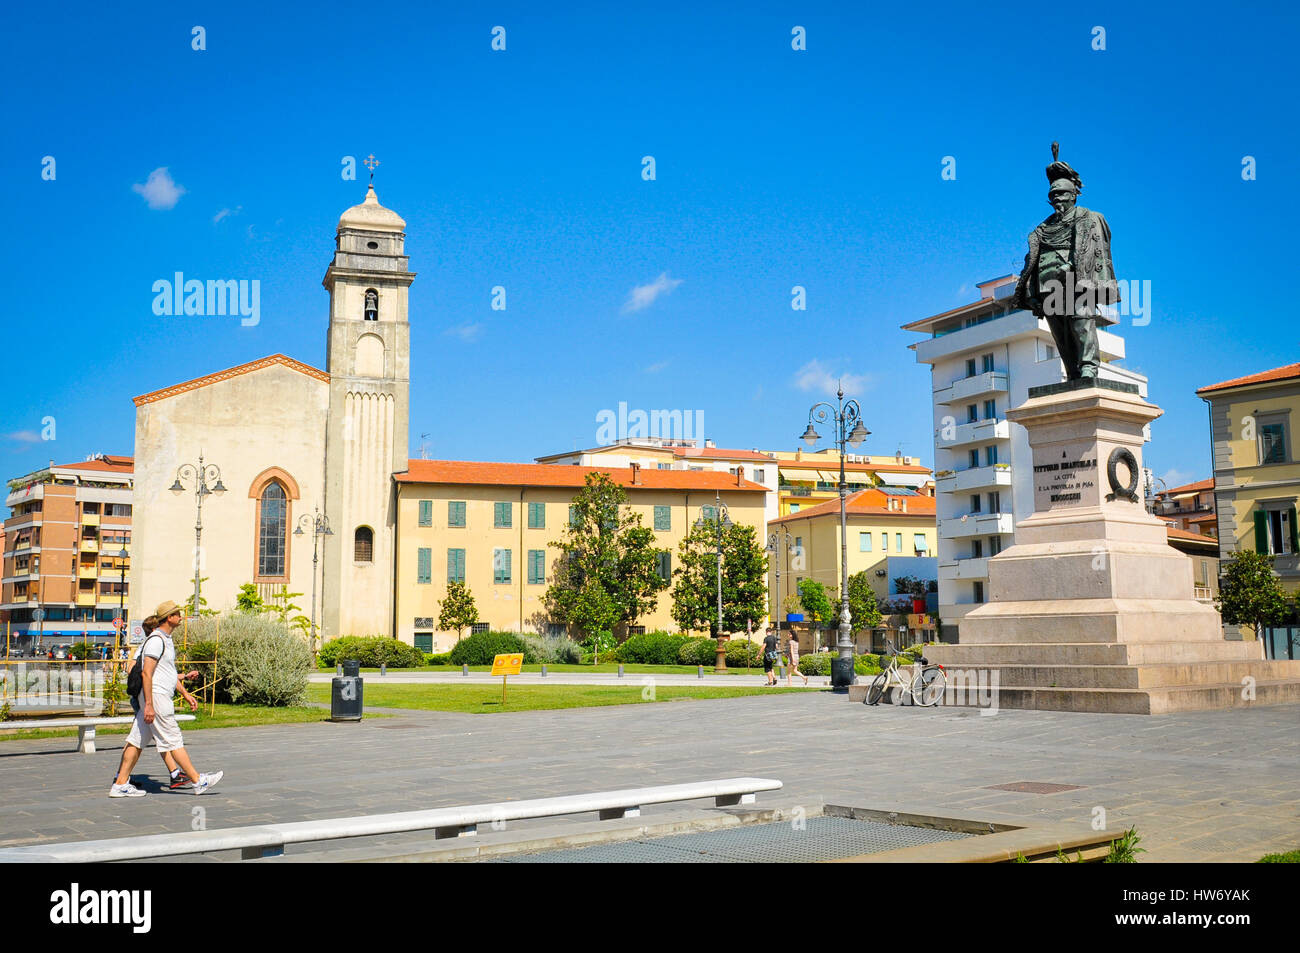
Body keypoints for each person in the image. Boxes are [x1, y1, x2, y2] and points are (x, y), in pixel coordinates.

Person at [1010, 146, 1118, 382]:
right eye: (1053, 196)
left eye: (1061, 195)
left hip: (1078, 282)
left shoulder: (1089, 218)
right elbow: (1033, 260)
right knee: (1060, 333)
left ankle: (1088, 367)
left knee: (1081, 323)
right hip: (1048, 287)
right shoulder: (1042, 229)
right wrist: (1032, 291)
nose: (1057, 199)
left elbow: (1098, 251)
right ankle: (1072, 373)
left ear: (1073, 195)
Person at [109, 600, 221, 798]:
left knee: (136, 740)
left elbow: (167, 673)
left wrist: (185, 693)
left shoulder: (165, 639)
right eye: (177, 614)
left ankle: (120, 784)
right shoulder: (156, 640)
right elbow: (147, 673)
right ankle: (197, 780)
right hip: (157, 697)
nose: (180, 617)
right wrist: (150, 705)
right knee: (173, 739)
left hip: (158, 695)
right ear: (169, 618)